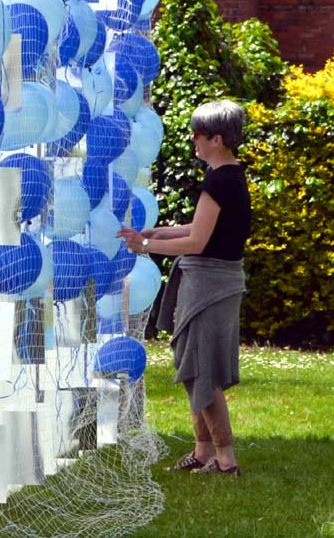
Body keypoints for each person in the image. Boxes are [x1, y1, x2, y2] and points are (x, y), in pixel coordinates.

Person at [117, 100, 250, 476]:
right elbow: (196, 231)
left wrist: (145, 246)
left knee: (201, 369)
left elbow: (197, 243)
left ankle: (225, 461)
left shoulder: (219, 180)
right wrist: (154, 233)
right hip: (214, 281)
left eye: (199, 134)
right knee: (194, 365)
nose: (193, 139)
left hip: (210, 284)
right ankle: (203, 451)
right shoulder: (229, 176)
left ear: (217, 139)